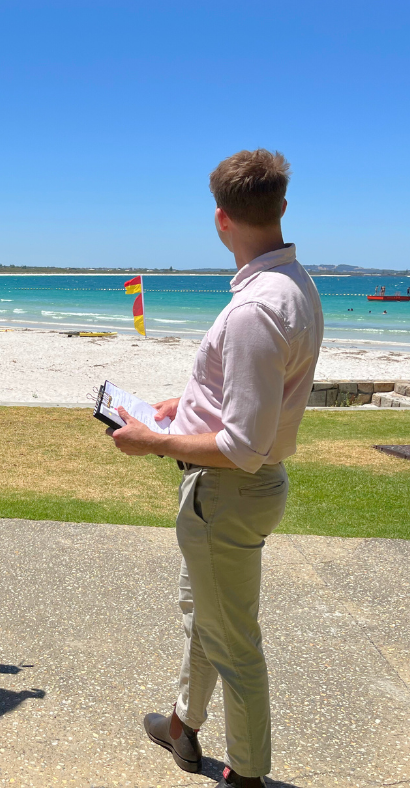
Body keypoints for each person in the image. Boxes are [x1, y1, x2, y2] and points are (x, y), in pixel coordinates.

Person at [106, 150, 322, 788]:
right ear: (282, 207)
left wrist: (153, 442)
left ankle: (249, 776)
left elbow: (243, 445)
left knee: (234, 645)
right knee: (205, 613)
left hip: (228, 491)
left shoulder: (257, 307)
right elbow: (251, 401)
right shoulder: (295, 283)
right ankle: (182, 723)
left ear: (221, 220)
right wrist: (185, 406)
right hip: (238, 490)